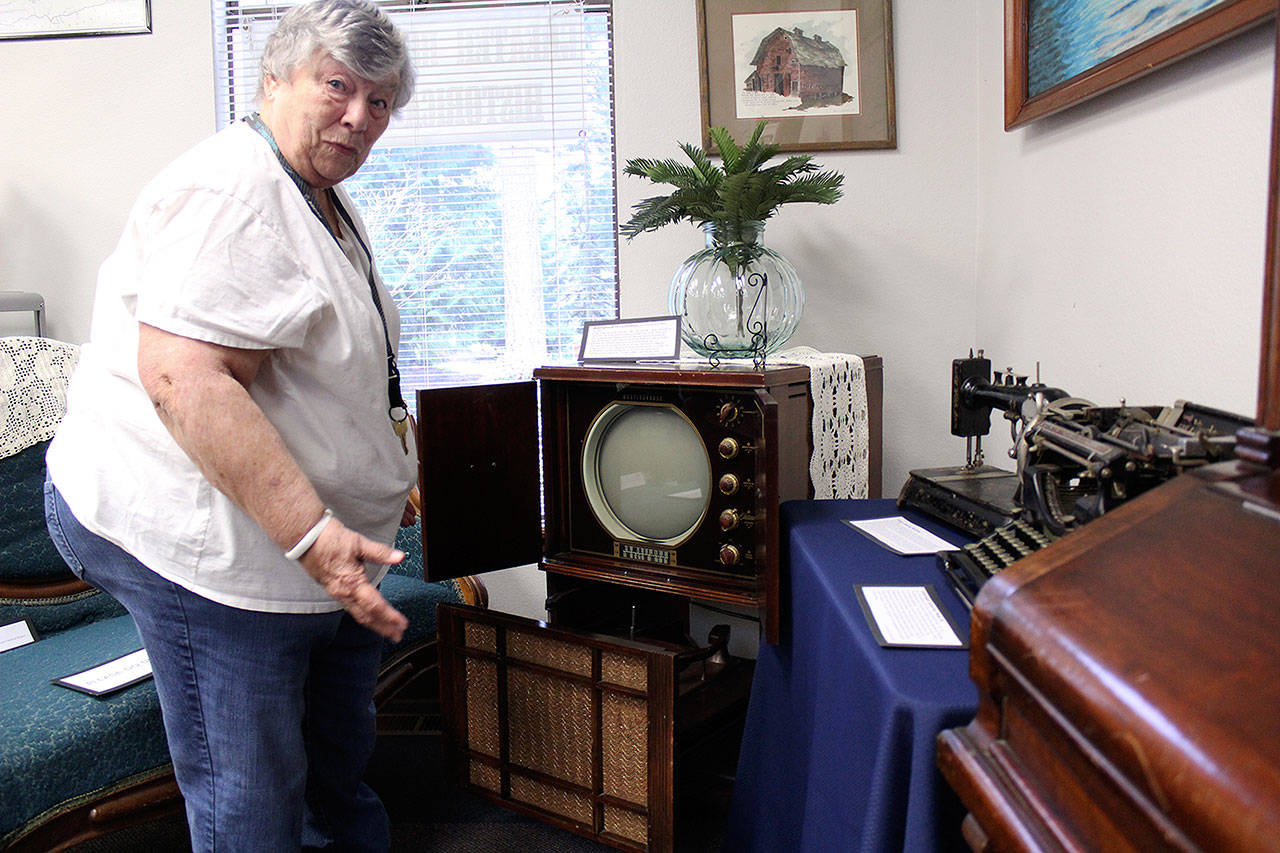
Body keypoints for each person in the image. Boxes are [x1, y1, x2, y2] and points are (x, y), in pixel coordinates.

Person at [44, 2, 418, 849]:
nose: (359, 116)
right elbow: (186, 379)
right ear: (275, 77)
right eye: (338, 86)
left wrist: (390, 463)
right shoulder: (232, 189)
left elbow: (326, 354)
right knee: (251, 795)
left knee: (334, 764)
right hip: (212, 545)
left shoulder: (315, 191)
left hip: (307, 550)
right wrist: (315, 534)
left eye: (381, 102)